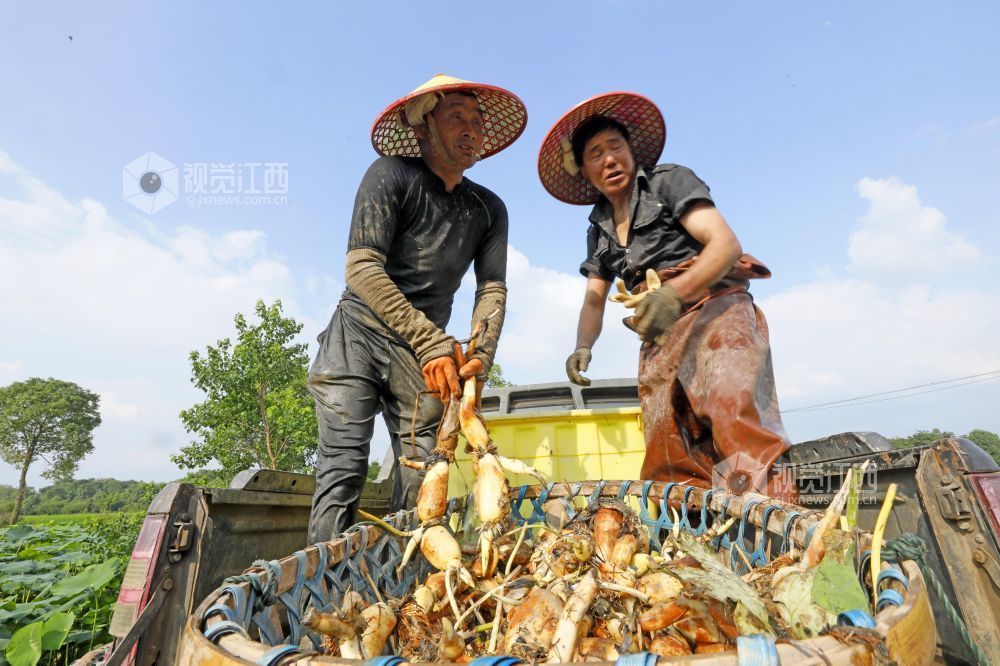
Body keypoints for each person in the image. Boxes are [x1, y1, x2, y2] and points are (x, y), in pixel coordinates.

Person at [537, 92, 794, 499]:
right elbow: (593, 298)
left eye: (615, 147)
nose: (609, 159)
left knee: (732, 411)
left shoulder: (668, 182)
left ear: (631, 151)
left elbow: (724, 244)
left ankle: (777, 534)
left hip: (716, 312)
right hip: (659, 336)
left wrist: (675, 293)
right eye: (596, 154)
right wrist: (582, 347)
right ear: (585, 171)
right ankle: (696, 547)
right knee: (669, 451)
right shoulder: (599, 229)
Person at [307, 75, 527, 543]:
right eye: (456, 118)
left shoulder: (488, 209)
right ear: (424, 129)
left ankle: (402, 591)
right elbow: (362, 267)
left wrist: (480, 357)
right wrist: (431, 341)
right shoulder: (390, 174)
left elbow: (491, 288)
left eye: (476, 120)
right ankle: (319, 598)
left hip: (423, 355)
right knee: (343, 469)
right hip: (358, 338)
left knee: (426, 470)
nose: (471, 129)